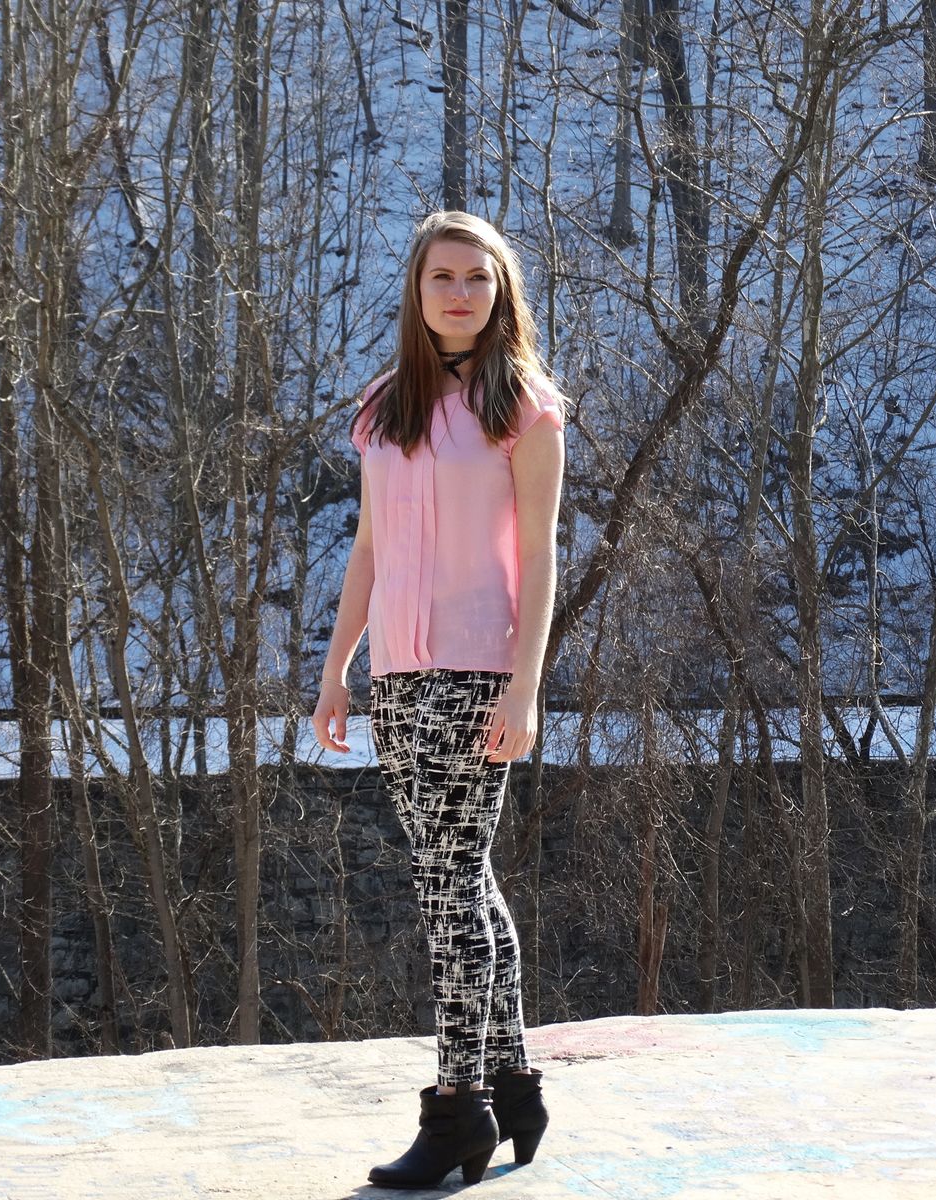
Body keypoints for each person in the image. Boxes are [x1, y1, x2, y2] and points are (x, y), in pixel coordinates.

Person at [312, 210, 564, 1189]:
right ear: (416, 292)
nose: (459, 294)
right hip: (398, 676)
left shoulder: (523, 408)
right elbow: (369, 547)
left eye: (477, 279)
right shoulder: (383, 409)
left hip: (477, 671)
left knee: (447, 883)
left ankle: (460, 1109)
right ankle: (515, 1084)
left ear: (501, 294)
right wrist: (337, 668)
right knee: (460, 876)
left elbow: (539, 557)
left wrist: (525, 688)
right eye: (441, 278)